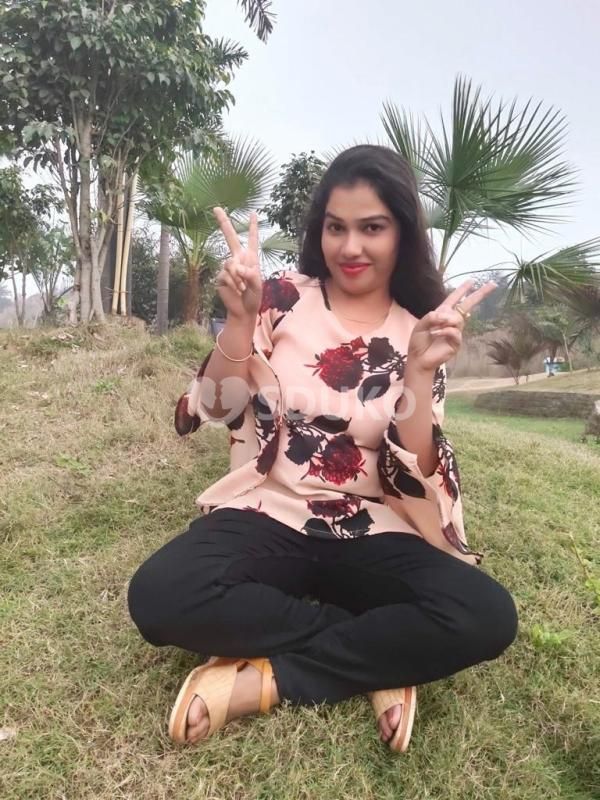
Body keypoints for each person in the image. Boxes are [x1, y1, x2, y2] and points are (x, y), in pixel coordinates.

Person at [128, 145, 518, 753]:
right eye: (337, 227)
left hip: (372, 527)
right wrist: (240, 320)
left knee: (485, 615)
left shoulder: (420, 327)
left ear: (402, 232)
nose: (350, 247)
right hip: (270, 509)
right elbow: (218, 407)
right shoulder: (282, 297)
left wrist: (418, 372)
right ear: (320, 230)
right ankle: (380, 653)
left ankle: (270, 681)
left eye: (372, 228)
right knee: (160, 595)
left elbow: (412, 472)